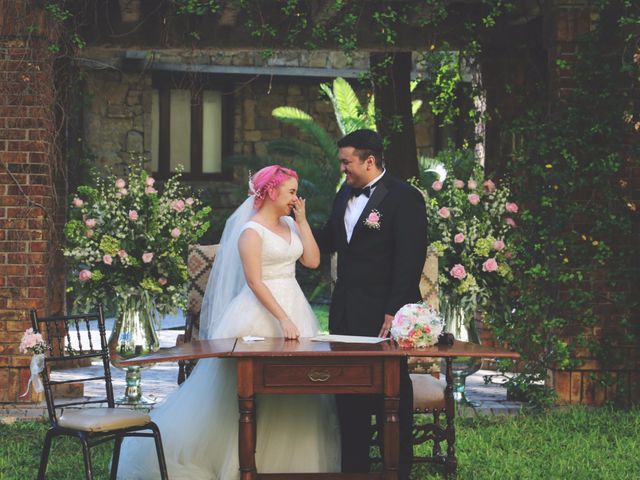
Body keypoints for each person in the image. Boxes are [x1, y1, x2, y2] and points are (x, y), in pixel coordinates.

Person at [118, 165, 341, 479]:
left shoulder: (291, 223)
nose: (296, 197)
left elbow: (313, 260)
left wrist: (302, 221)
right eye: (291, 191)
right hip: (260, 315)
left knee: (295, 392)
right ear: (272, 192)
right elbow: (254, 281)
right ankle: (243, 463)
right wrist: (282, 319)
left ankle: (288, 465)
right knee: (249, 394)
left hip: (294, 303)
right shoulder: (250, 231)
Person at [314, 129, 428, 479]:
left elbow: (410, 260)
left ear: (370, 160)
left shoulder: (405, 197)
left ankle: (398, 467)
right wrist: (293, 225)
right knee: (348, 387)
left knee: (392, 389)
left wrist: (394, 311)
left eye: (347, 162)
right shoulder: (342, 195)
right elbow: (331, 239)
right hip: (346, 310)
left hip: (384, 313)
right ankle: (355, 468)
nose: (342, 169)